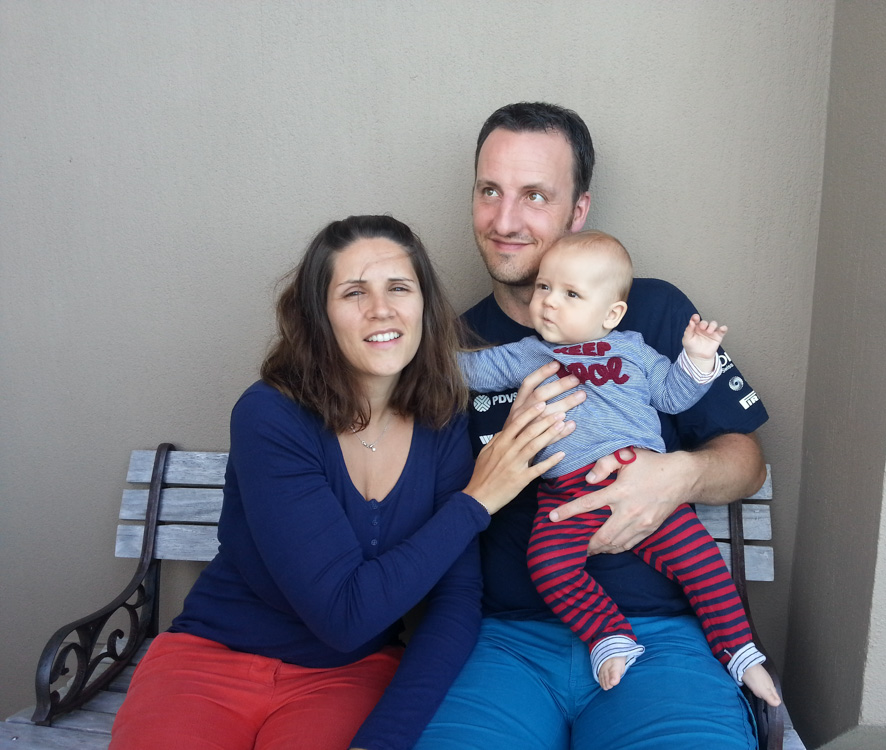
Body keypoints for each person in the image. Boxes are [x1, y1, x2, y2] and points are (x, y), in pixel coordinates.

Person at [109, 215, 575, 750]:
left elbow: (455, 601)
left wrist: (385, 737)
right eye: (354, 292)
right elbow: (343, 615)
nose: (381, 309)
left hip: (347, 676)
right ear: (319, 315)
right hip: (213, 660)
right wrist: (476, 502)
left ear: (424, 304)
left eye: (399, 287)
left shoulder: (442, 421)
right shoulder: (271, 416)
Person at [414, 104, 770, 749]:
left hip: (660, 637)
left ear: (578, 209)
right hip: (506, 642)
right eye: (489, 191)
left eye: (535, 195)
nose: (505, 220)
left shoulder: (652, 312)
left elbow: (747, 460)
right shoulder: (457, 349)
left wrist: (679, 475)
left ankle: (734, 653)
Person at [458, 229, 778, 702]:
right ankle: (608, 635)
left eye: (570, 294)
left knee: (702, 564)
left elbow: (673, 395)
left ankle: (740, 651)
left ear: (611, 314)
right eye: (544, 287)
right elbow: (470, 370)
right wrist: (410, 354)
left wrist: (697, 360)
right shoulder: (530, 354)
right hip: (567, 494)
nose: (548, 302)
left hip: (639, 482)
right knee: (547, 565)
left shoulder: (634, 351)